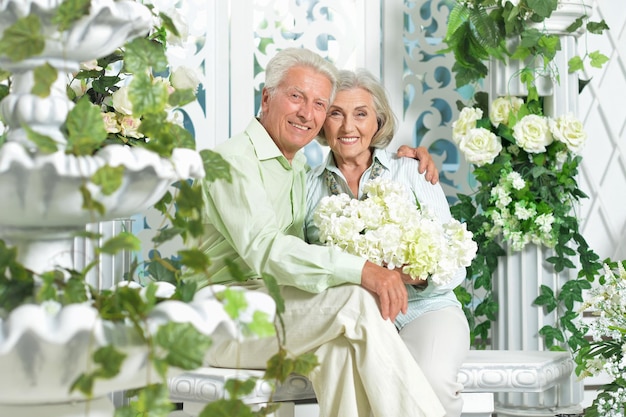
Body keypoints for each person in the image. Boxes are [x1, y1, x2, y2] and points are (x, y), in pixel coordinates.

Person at [194, 47, 445, 417]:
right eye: (296, 96)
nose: (306, 113)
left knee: (341, 350)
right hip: (222, 319)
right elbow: (266, 249)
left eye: (318, 104)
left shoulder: (299, 171)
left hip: (276, 309)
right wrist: (364, 271)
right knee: (357, 300)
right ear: (267, 98)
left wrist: (404, 156)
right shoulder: (231, 163)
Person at [304, 69, 470, 417]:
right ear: (322, 123)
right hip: (351, 318)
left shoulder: (411, 170)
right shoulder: (305, 187)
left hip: (425, 310)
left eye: (361, 114)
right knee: (363, 390)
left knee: (431, 380)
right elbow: (299, 266)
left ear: (378, 122)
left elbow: (454, 261)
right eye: (336, 113)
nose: (349, 127)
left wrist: (420, 273)